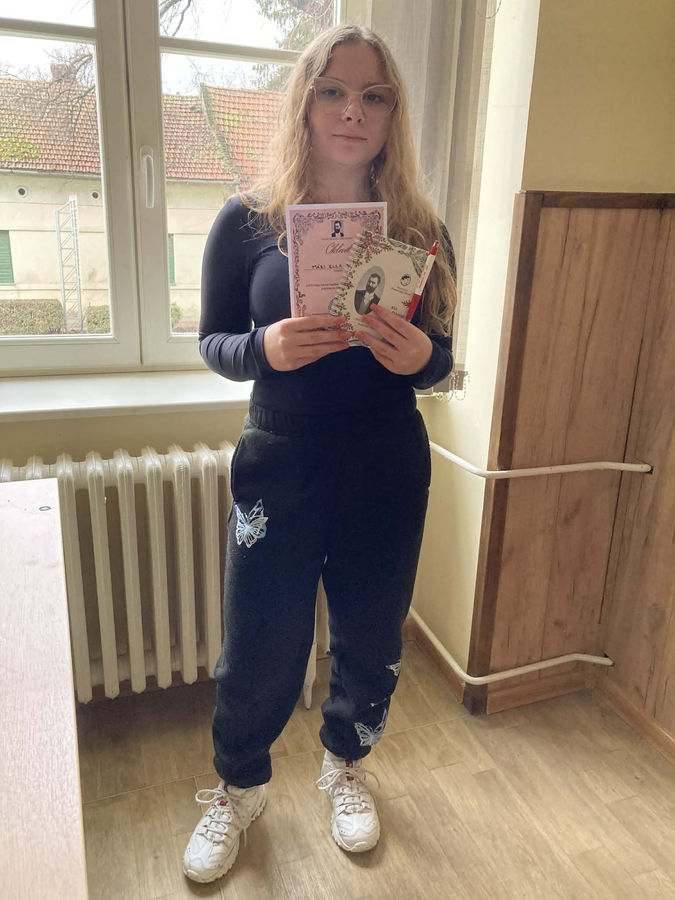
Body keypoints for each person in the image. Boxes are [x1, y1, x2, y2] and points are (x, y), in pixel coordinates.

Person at [183, 23, 457, 885]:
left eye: (373, 96)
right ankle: (238, 786)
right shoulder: (247, 220)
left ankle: (345, 766)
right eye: (333, 91)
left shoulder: (419, 228)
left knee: (371, 634)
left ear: (392, 113)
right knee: (258, 640)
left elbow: (442, 357)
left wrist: (423, 360)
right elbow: (214, 341)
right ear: (304, 102)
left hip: (385, 458)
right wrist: (262, 347)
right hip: (282, 455)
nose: (352, 111)